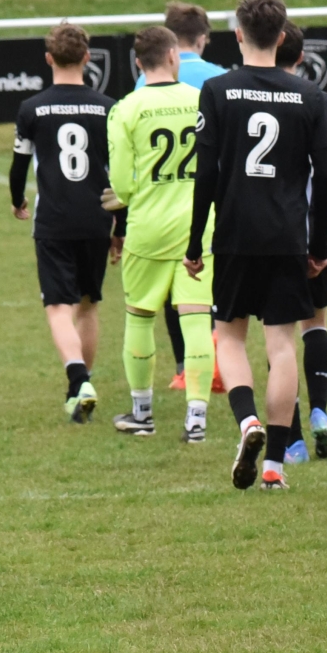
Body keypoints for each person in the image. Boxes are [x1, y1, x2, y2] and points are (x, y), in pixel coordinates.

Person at [184, 0, 327, 491]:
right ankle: (274, 465)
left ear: (238, 34)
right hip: (287, 233)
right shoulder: (309, 96)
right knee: (282, 344)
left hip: (235, 232)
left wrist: (194, 242)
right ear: (283, 35)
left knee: (229, 335)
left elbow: (206, 172)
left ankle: (247, 420)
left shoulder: (218, 89)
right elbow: (324, 176)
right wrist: (319, 245)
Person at [103, 25, 214, 442]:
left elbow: (121, 183)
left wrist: (134, 194)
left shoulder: (126, 109)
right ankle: (196, 418)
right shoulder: (200, 100)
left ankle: (142, 413)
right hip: (198, 229)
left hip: (147, 228)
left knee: (140, 316)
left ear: (138, 63)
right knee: (196, 318)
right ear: (172, 56)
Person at [9, 22, 123, 423]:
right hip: (96, 220)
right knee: (88, 306)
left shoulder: (32, 108)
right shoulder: (108, 108)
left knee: (59, 307)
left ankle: (79, 382)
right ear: (87, 58)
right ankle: (80, 391)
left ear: (48, 59)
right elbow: (119, 174)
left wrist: (17, 200)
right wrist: (121, 226)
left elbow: (19, 165)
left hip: (54, 220)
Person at [275, 20, 327, 465]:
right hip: (313, 231)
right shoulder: (322, 101)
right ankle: (320, 410)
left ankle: (294, 440)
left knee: (278, 335)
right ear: (302, 57)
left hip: (269, 234)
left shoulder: (246, 97)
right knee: (315, 324)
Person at [163, 1, 227, 392]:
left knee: (172, 284)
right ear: (203, 38)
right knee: (209, 282)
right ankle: (215, 362)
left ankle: (182, 365)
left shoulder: (151, 78)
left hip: (163, 199)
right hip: (213, 195)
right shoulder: (221, 78)